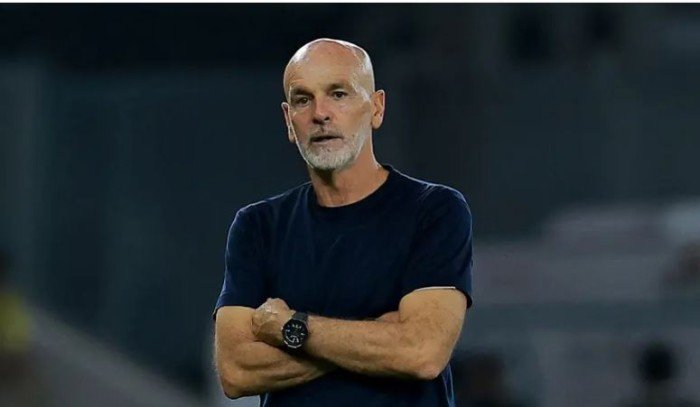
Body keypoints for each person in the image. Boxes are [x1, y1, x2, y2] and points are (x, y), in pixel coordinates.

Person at [212, 38, 473, 407]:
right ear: (289, 121)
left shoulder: (434, 210)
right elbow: (236, 371)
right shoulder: (257, 226)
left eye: (338, 94)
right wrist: (379, 335)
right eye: (303, 99)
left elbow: (421, 352)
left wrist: (290, 327)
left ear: (376, 108)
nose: (320, 113)